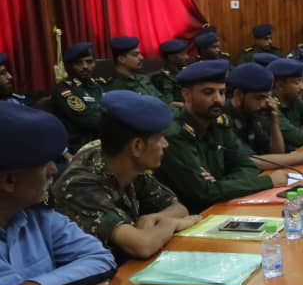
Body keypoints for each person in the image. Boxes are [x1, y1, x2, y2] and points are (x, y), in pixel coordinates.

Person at [0, 103, 116, 285]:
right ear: (9, 180)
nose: (54, 169)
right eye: (44, 163)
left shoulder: (37, 216)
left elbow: (101, 259)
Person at [50, 91, 199, 261]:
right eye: (160, 138)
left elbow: (179, 208)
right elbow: (142, 246)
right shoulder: (80, 185)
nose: (165, 145)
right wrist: (171, 223)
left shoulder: (126, 164)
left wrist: (152, 218)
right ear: (137, 146)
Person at [156, 60, 288, 213]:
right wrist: (268, 181)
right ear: (187, 95)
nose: (217, 99)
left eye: (222, 92)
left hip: (223, 205)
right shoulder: (176, 134)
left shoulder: (219, 124)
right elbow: (203, 193)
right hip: (192, 215)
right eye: (208, 92)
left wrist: (220, 184)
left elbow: (249, 166)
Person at [225, 63, 303, 168]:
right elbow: (250, 161)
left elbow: (276, 153)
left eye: (267, 97)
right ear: (238, 95)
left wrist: (274, 122)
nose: (263, 104)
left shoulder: (250, 115)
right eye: (259, 98)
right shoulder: (225, 119)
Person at [52, 41, 106, 153]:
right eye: (78, 63)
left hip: (105, 140)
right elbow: (91, 120)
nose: (85, 66)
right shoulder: (64, 90)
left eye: (89, 62)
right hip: (83, 147)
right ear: (70, 66)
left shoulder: (99, 84)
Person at [104, 36, 165, 100]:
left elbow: (161, 99)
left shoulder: (142, 77)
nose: (141, 58)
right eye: (135, 55)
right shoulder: (115, 86)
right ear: (121, 59)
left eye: (140, 54)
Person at [152, 39, 191, 106]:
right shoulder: (161, 77)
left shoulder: (186, 70)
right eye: (183, 54)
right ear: (171, 57)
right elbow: (168, 102)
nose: (187, 57)